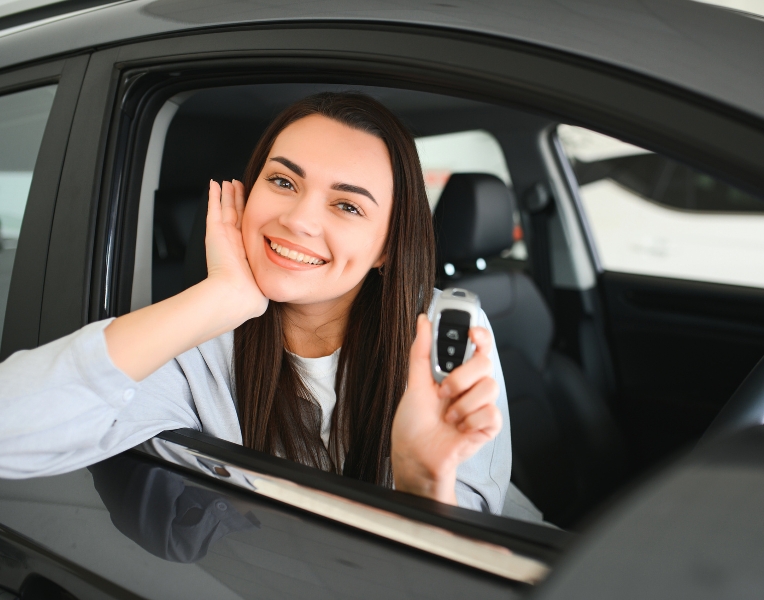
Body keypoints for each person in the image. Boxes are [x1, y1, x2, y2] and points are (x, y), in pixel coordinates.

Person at [0, 92, 511, 514]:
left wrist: (423, 483)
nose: (298, 220)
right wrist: (220, 299)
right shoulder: (194, 350)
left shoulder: (442, 334)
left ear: (387, 247)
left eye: (347, 205)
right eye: (283, 181)